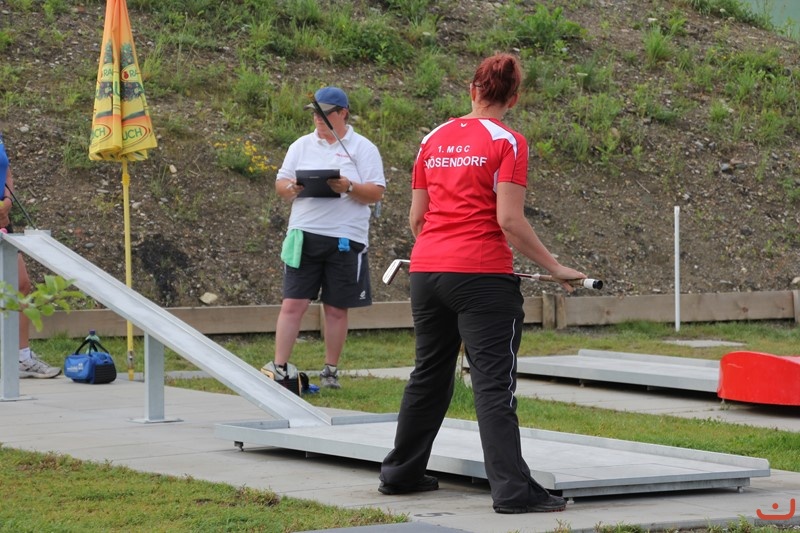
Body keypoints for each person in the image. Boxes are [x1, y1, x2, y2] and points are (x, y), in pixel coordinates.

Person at [378, 54, 586, 514]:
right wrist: (555, 267)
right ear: (514, 98)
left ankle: (400, 473)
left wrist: (440, 251)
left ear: (472, 90)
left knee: (428, 375)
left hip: (427, 271)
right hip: (481, 277)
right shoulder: (508, 141)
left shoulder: (432, 138)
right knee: (493, 385)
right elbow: (509, 221)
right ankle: (513, 492)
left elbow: (417, 218)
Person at [261, 86, 385, 389]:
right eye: (314, 112)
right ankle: (279, 368)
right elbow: (280, 184)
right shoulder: (301, 145)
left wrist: (348, 187)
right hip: (303, 235)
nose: (318, 118)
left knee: (336, 308)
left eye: (325, 113)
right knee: (293, 303)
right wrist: (291, 188)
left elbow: (376, 192)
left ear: (343, 113)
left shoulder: (364, 148)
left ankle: (330, 371)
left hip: (345, 238)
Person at [0, 131, 60, 379]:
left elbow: (6, 173)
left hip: (2, 217)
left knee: (21, 285)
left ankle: (22, 358)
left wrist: (7, 201)